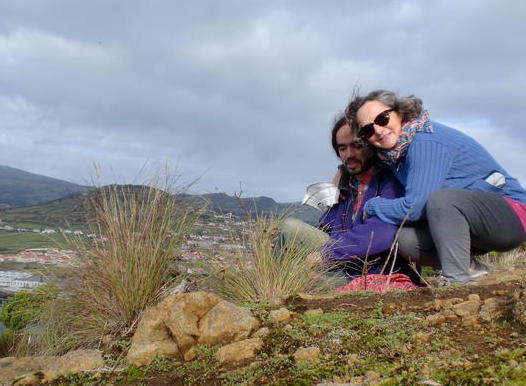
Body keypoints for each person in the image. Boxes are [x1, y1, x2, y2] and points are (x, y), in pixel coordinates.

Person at [343, 89, 526, 284]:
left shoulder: (425, 140)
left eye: (382, 118)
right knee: (402, 239)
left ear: (400, 112)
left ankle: (457, 281)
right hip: (467, 227)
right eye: (367, 130)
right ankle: (471, 270)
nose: (378, 130)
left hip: (511, 217)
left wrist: (372, 206)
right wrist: (343, 172)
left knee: (441, 200)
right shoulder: (394, 156)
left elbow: (412, 209)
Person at [280, 115, 415, 282]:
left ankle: (277, 294)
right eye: (342, 148)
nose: (349, 154)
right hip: (343, 265)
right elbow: (327, 228)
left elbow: (381, 232)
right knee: (288, 229)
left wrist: (325, 254)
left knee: (299, 281)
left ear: (372, 145)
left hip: (376, 276)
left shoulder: (391, 180)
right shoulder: (347, 184)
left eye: (357, 146)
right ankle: (271, 292)